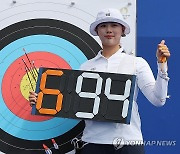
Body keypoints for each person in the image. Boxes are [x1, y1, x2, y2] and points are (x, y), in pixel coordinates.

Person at [29, 8, 170, 154]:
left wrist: (162, 67)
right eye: (103, 26)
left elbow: (158, 100)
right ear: (97, 31)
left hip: (128, 144)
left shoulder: (137, 63)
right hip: (93, 144)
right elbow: (71, 103)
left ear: (122, 30)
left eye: (114, 25)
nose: (109, 30)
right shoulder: (86, 66)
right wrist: (42, 100)